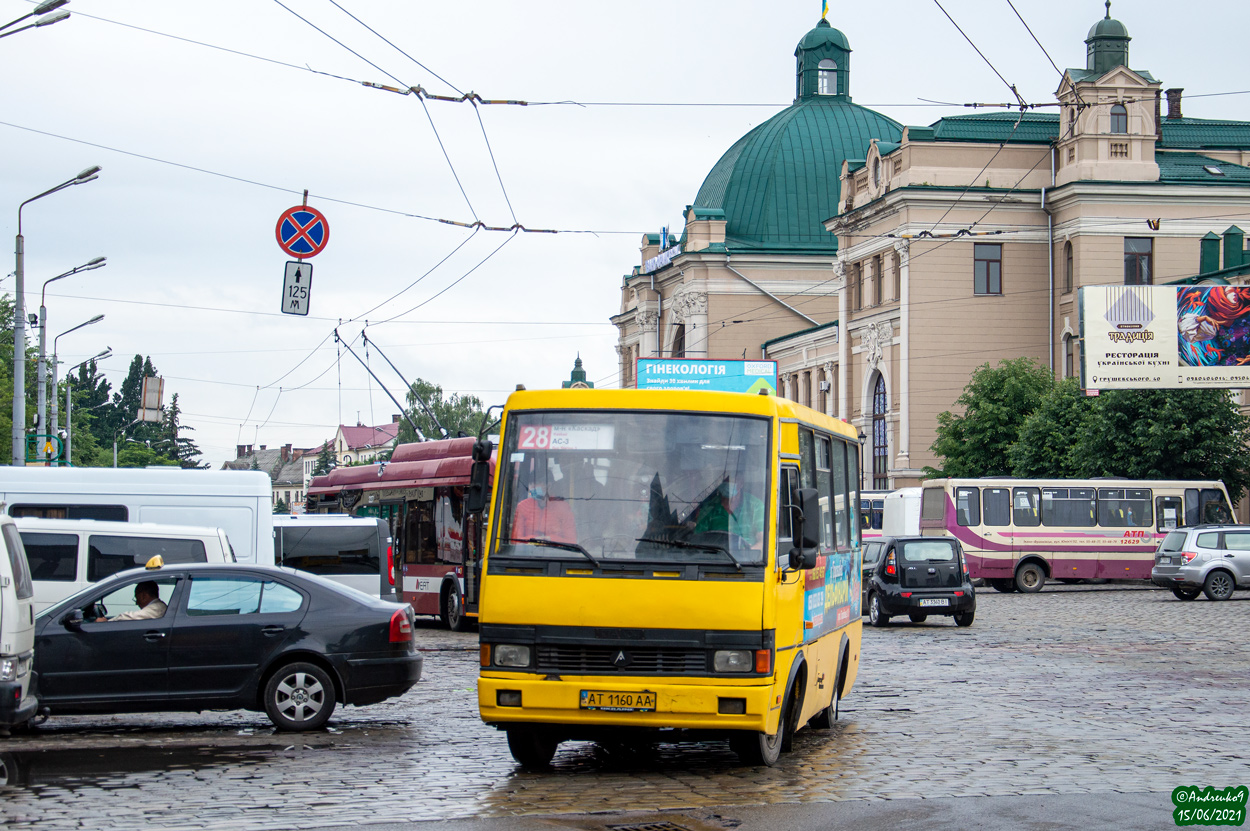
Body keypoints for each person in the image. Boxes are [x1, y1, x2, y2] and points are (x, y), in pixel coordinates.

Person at [691, 477, 765, 547]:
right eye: (725, 480)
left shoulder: (756, 506)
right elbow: (698, 541)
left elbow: (763, 542)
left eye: (732, 479)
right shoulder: (708, 508)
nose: (728, 482)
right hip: (715, 557)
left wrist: (749, 553)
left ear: (741, 482)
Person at [512, 484, 578, 545]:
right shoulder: (523, 506)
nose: (533, 488)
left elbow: (572, 541)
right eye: (532, 485)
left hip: (557, 554)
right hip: (526, 554)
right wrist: (534, 539)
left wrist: (550, 539)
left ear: (549, 486)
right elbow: (515, 541)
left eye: (537, 484)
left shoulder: (563, 507)